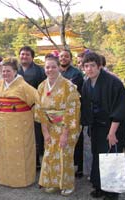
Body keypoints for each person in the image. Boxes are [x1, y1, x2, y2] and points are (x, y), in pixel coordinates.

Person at [81, 52, 125, 200]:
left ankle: (112, 192)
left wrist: (112, 133)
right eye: (86, 66)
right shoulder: (86, 83)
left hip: (112, 126)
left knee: (110, 157)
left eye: (92, 66)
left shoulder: (113, 82)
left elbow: (120, 107)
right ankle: (100, 187)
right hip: (96, 126)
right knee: (97, 156)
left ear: (99, 66)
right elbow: (85, 106)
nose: (89, 69)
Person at [36, 55, 80, 196]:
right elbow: (39, 110)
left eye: (53, 66)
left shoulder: (69, 86)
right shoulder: (42, 86)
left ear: (59, 67)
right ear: (44, 69)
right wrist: (45, 132)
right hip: (49, 126)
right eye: (47, 67)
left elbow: (72, 110)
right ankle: (53, 182)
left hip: (66, 126)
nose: (50, 69)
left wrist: (65, 134)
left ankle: (67, 184)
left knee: (64, 154)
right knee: (50, 154)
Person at [0, 57, 38, 188]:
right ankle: (6, 178)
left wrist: (33, 115)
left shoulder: (23, 85)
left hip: (20, 123)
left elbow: (36, 100)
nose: (5, 74)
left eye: (8, 71)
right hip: (4, 122)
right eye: (3, 71)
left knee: (21, 151)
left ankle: (22, 180)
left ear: (15, 71)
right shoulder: (1, 84)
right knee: (6, 151)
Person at [18, 46, 46, 169]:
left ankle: (36, 161)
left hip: (34, 107)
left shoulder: (40, 71)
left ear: (32, 57)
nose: (24, 56)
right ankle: (22, 160)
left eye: (27, 54)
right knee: (20, 135)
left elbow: (43, 89)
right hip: (18, 108)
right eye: (22, 54)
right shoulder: (15, 70)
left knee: (35, 135)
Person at [59, 49, 84, 178]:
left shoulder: (76, 73)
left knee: (76, 138)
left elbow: (70, 90)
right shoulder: (56, 71)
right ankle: (61, 164)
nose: (63, 58)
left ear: (70, 58)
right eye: (61, 56)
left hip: (72, 110)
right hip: (58, 110)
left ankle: (79, 166)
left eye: (66, 56)